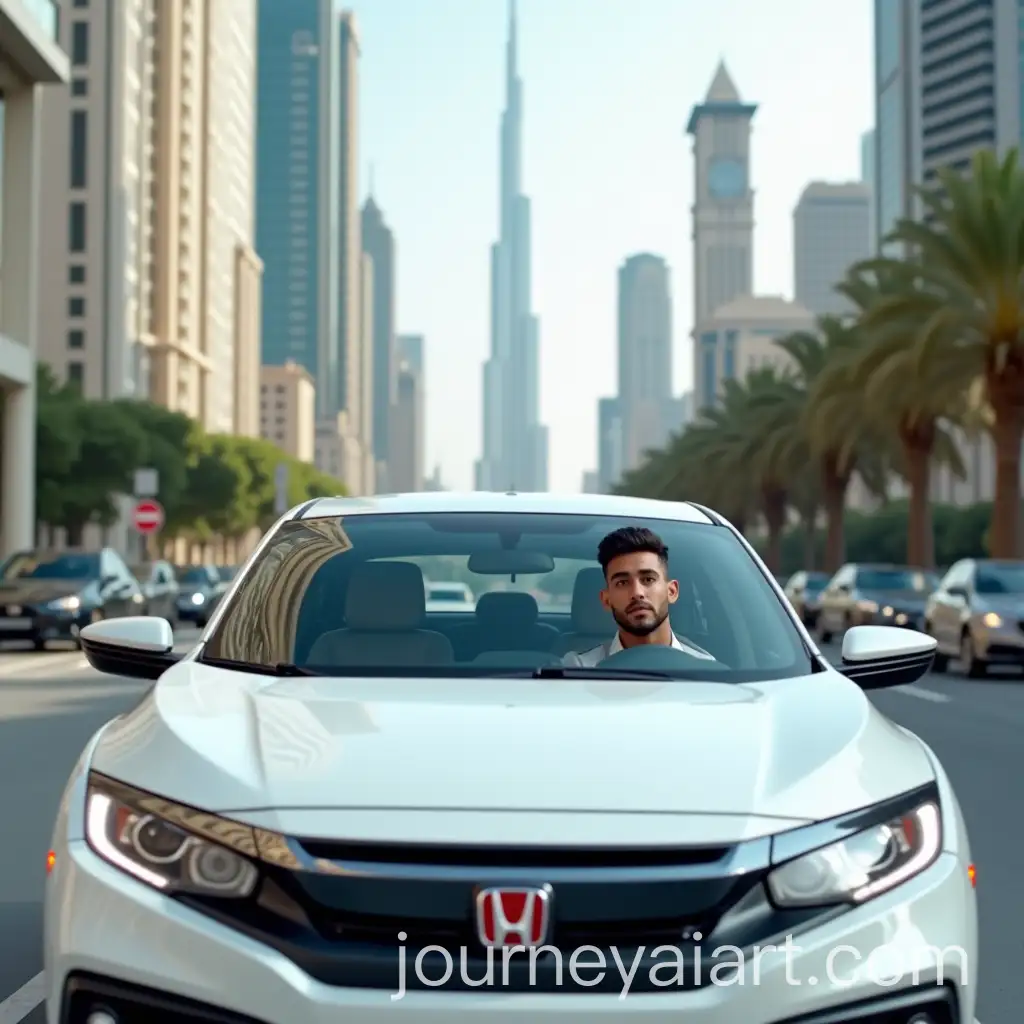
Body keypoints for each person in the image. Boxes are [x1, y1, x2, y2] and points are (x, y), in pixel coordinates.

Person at [561, 526, 715, 667]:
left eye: (648, 579)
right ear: (606, 600)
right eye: (622, 583)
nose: (637, 593)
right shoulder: (579, 669)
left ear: (672, 591)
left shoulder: (706, 671)